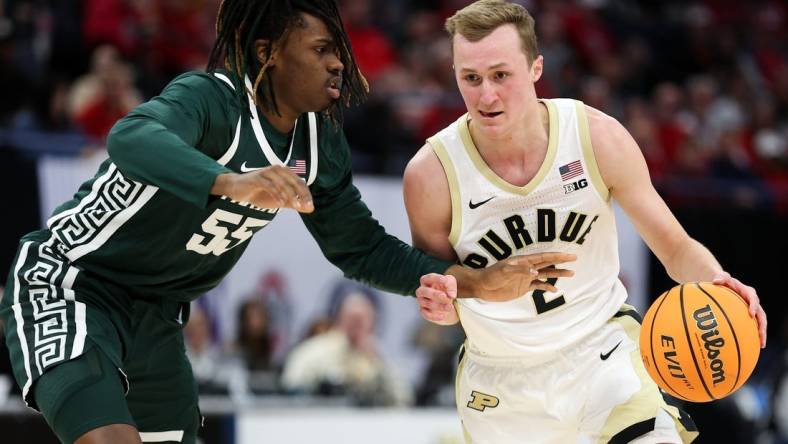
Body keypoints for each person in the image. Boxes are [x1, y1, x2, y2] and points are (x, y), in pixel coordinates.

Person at [0, 1, 574, 443]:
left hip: (155, 317)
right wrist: (229, 181)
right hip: (71, 286)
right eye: (322, 48)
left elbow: (361, 249)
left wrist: (475, 281)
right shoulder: (211, 100)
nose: (338, 62)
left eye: (339, 50)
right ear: (268, 52)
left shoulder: (319, 142)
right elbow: (131, 137)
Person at [403, 1, 769, 443]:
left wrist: (718, 281)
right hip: (500, 377)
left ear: (536, 67)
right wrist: (439, 305)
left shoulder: (595, 136)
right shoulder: (430, 175)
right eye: (471, 78)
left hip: (603, 353)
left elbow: (673, 247)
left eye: (501, 75)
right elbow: (441, 296)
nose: (486, 95)